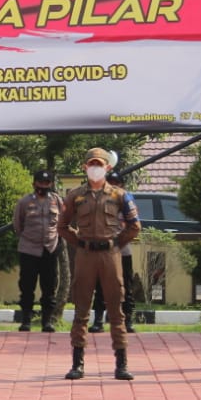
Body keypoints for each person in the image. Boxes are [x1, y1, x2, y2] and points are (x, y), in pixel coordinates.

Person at [57, 147, 141, 381]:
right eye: (91, 164)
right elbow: (62, 227)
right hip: (85, 255)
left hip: (110, 255)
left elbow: (135, 226)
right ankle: (77, 363)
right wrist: (81, 243)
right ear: (85, 167)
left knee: (116, 309)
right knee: (82, 309)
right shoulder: (75, 195)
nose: (95, 168)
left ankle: (121, 364)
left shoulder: (119, 195)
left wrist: (115, 243)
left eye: (99, 164)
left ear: (108, 167)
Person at [13, 169, 62, 333]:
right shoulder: (25, 202)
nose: (43, 186)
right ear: (34, 183)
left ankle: (46, 322)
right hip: (29, 250)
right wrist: (28, 238)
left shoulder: (56, 201)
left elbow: (62, 223)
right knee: (27, 287)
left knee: (49, 288)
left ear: (51, 184)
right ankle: (26, 320)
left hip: (50, 249)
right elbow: (18, 225)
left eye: (47, 183)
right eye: (40, 183)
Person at [91, 170, 137, 334]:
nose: (113, 187)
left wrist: (120, 242)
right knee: (100, 286)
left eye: (116, 184)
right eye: (110, 183)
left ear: (122, 186)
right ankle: (98, 321)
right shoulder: (97, 201)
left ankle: (128, 320)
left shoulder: (127, 201)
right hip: (102, 251)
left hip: (122, 250)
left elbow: (134, 226)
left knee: (125, 286)